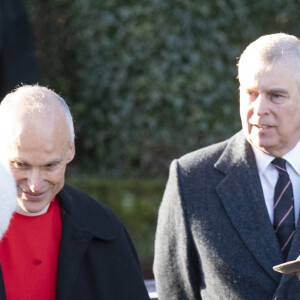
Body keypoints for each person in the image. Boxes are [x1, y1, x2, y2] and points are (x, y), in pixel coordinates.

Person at [153, 33, 300, 299]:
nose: (258, 109)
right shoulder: (191, 178)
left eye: (276, 96)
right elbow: (174, 292)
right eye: (250, 94)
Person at [0, 85, 150, 300]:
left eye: (50, 166)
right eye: (20, 164)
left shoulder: (103, 226)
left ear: (70, 150)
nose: (34, 184)